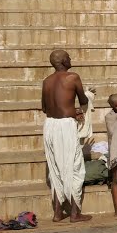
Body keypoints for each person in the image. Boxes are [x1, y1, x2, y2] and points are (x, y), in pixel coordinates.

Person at [41, 49, 91, 222]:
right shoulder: (73, 77)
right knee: (74, 168)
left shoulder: (46, 81)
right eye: (68, 57)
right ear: (63, 61)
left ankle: (57, 213)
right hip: (65, 126)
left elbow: (45, 108)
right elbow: (83, 100)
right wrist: (77, 109)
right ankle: (75, 214)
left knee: (55, 170)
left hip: (50, 125)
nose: (71, 59)